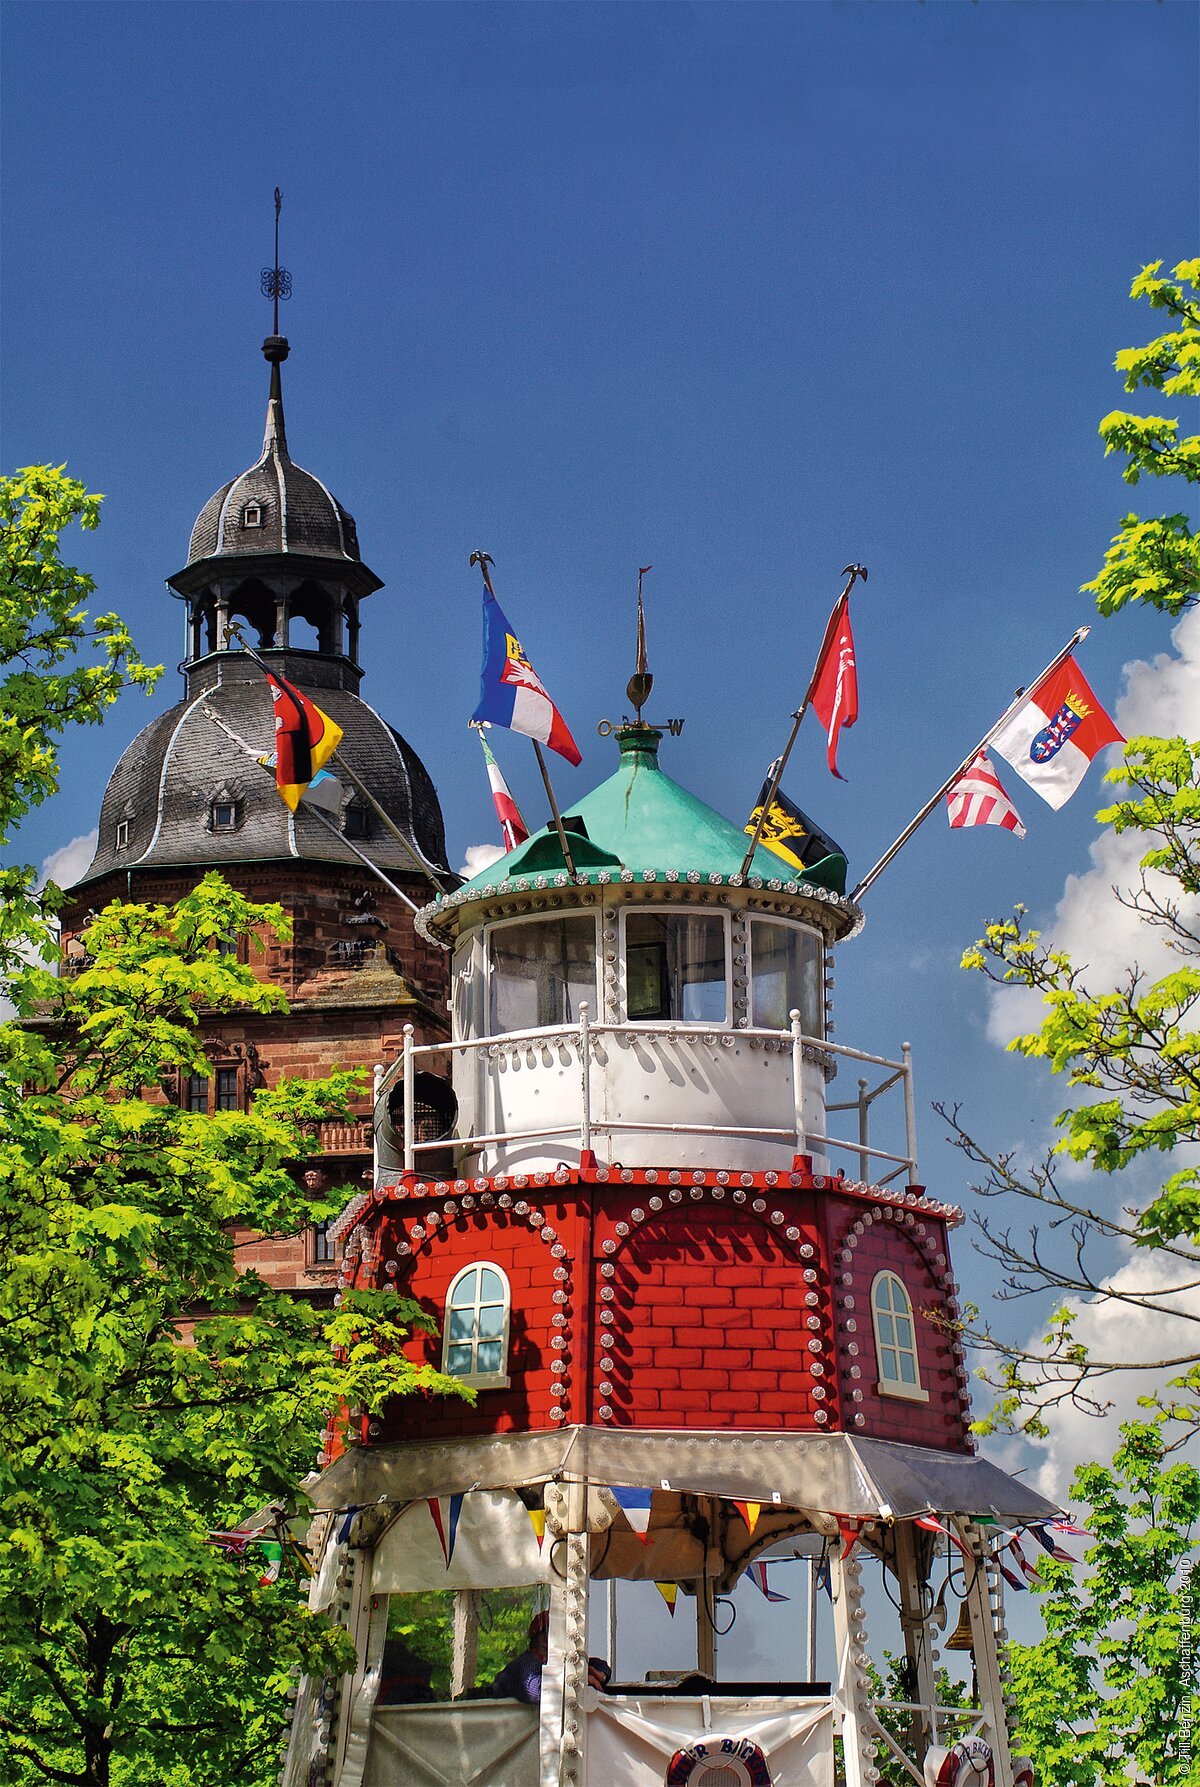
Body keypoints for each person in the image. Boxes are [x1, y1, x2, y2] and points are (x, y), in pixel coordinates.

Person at [486, 1610, 610, 1704]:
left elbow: (601, 1666)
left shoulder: (555, 1659)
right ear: (536, 1638)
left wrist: (596, 1673)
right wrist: (579, 1679)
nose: (549, 1639)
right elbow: (536, 1690)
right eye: (545, 1634)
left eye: (555, 1634)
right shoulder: (527, 1663)